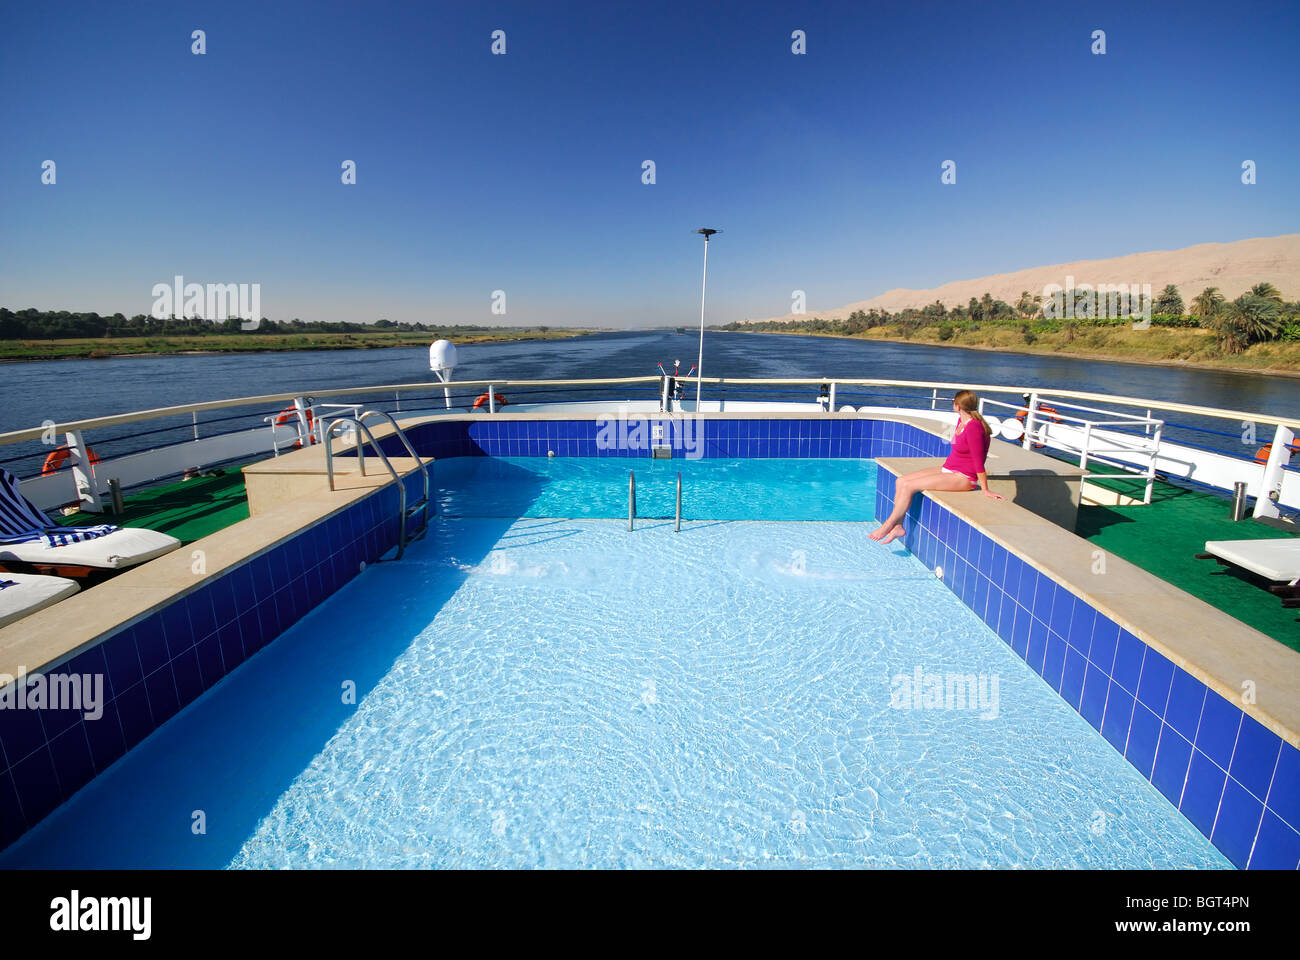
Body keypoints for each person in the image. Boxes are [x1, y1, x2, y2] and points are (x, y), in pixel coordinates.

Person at [870, 390, 1005, 544]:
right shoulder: (962, 421)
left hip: (964, 477)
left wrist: (985, 489)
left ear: (957, 406)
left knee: (908, 486)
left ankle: (888, 525)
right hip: (949, 468)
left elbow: (978, 460)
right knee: (901, 481)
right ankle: (898, 526)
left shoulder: (974, 427)